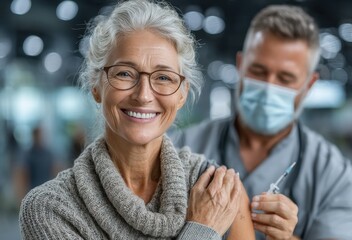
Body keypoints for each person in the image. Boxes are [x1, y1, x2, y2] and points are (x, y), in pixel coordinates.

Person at [19, 1, 255, 239]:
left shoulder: (219, 192)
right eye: (124, 73)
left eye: (163, 77)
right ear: (96, 86)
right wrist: (202, 231)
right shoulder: (50, 210)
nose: (143, 95)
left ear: (182, 94)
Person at [172, 4, 352, 240]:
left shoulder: (334, 176)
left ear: (309, 85)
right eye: (259, 71)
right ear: (240, 65)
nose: (269, 87)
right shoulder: (180, 146)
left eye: (285, 78)